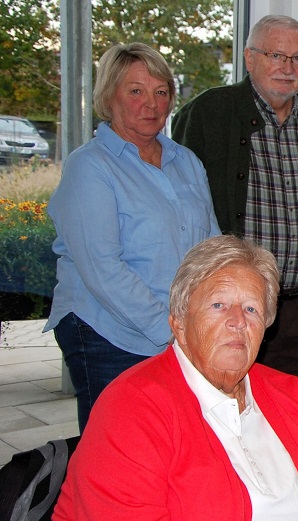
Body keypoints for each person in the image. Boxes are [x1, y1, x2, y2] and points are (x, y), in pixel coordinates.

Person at [38, 236, 298, 521]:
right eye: (218, 305)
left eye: (252, 308)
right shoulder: (130, 408)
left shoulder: (286, 393)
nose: (238, 320)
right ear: (178, 322)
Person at [173, 15, 298, 420]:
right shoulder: (210, 113)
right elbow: (182, 210)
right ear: (249, 58)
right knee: (240, 419)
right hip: (241, 309)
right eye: (276, 54)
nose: (288, 67)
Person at [43, 43, 220, 431]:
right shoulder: (89, 167)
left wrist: (211, 317)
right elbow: (104, 270)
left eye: (161, 92)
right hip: (108, 332)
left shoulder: (186, 161)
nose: (151, 103)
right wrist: (173, 331)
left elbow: (210, 249)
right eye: (136, 91)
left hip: (178, 331)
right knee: (118, 450)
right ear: (110, 97)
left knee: (173, 444)